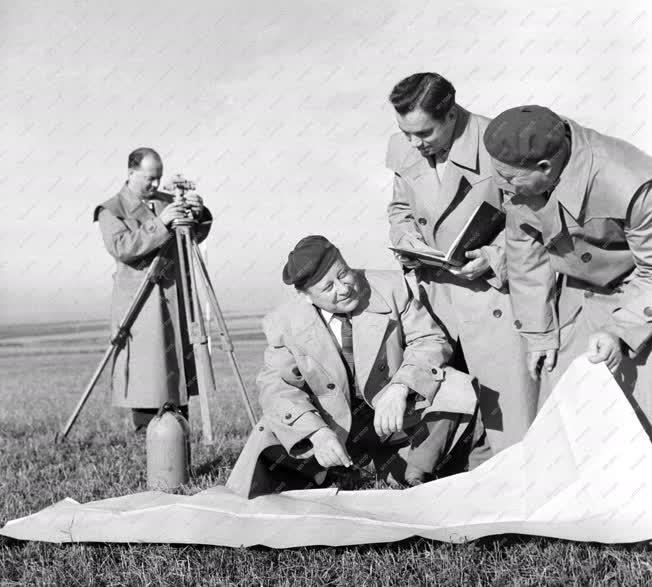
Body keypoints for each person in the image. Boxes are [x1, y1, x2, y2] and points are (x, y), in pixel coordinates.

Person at [226, 235, 490, 498]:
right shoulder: (283, 322)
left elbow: (430, 340)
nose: (343, 288)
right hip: (333, 430)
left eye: (343, 274)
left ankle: (416, 472)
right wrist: (317, 434)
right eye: (328, 287)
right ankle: (329, 474)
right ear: (306, 296)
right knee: (270, 429)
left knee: (456, 388)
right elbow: (277, 388)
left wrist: (400, 387)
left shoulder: (391, 287)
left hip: (398, 422)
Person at [385, 73, 538, 454]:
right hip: (435, 298)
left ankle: (514, 481)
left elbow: (533, 217)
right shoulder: (408, 147)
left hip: (492, 298)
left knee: (508, 411)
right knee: (448, 399)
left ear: (451, 114)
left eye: (423, 134)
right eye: (405, 134)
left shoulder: (496, 144)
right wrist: (405, 238)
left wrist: (494, 255)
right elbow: (400, 208)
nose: (414, 144)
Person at [482, 105, 652, 434]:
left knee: (641, 418)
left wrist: (619, 330)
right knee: (574, 417)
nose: (502, 186)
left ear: (546, 167)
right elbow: (524, 250)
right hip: (579, 294)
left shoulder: (632, 181)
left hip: (639, 297)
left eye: (508, 178)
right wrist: (539, 332)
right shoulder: (521, 174)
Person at [93, 147, 212, 432]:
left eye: (159, 178)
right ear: (131, 173)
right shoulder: (111, 209)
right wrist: (161, 223)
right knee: (149, 371)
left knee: (177, 368)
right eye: (149, 178)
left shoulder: (166, 202)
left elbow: (194, 235)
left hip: (176, 298)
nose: (156, 185)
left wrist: (199, 213)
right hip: (142, 303)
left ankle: (178, 429)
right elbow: (122, 247)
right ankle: (149, 434)